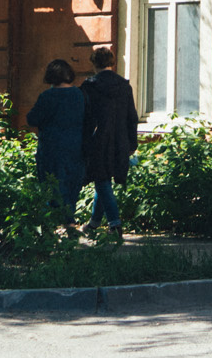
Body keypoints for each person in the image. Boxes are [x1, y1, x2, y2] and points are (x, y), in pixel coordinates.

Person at [79, 46, 140, 239]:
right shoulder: (124, 85)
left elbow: (85, 118)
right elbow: (132, 117)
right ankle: (94, 223)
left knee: (101, 179)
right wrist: (132, 143)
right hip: (120, 139)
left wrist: (83, 142)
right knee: (103, 180)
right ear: (112, 62)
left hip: (98, 140)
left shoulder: (89, 86)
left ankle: (115, 224)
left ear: (94, 63)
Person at [26, 59, 86, 220]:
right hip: (75, 146)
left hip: (51, 147)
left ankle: (54, 221)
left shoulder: (47, 96)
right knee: (71, 183)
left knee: (51, 184)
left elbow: (32, 119)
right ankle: (69, 219)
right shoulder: (79, 94)